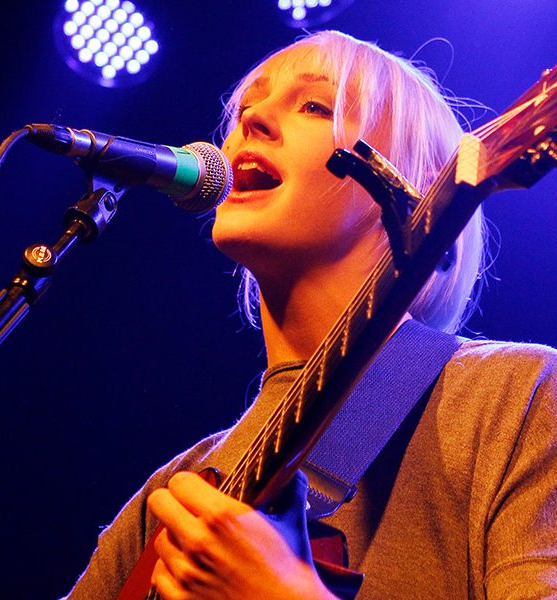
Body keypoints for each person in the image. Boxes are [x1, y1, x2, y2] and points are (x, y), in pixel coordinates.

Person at [64, 30, 557, 599]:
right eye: (246, 109)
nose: (251, 122)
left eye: (315, 106)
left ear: (409, 189)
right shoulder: (176, 492)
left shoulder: (515, 398)